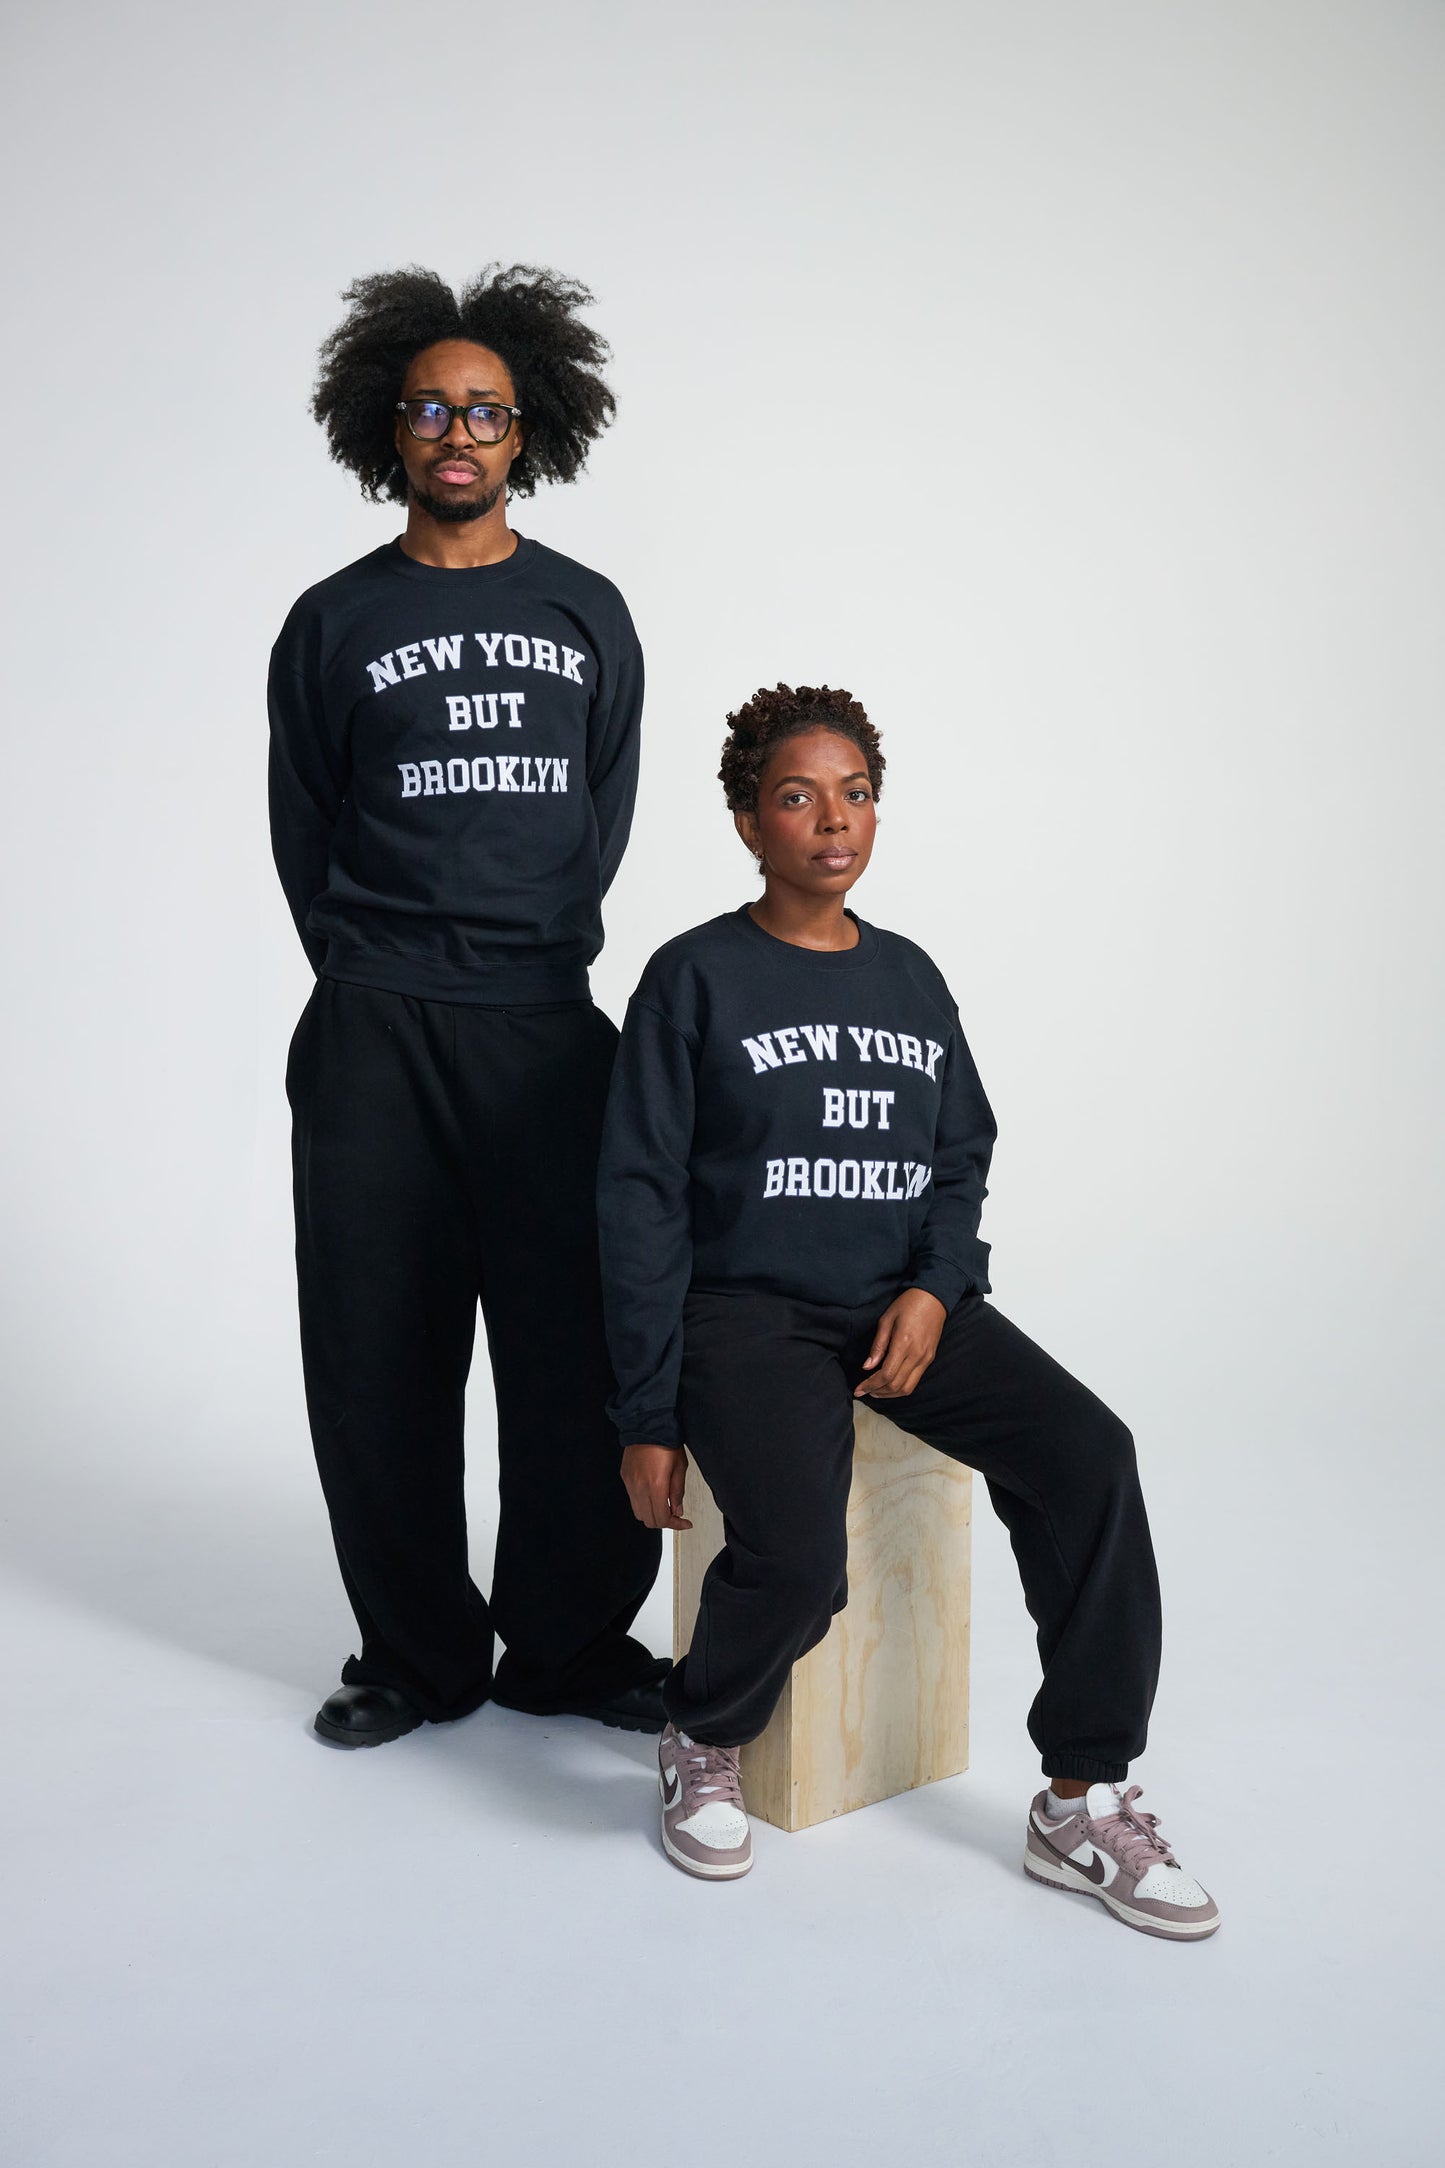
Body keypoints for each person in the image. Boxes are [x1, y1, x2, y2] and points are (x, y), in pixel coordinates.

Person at [596, 684, 1219, 1938]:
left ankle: (1079, 1798)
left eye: (856, 793)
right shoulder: (692, 977)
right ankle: (700, 1729)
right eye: (796, 796)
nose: (833, 819)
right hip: (748, 1313)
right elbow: (639, 1198)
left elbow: (957, 1155)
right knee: (798, 1564)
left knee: (1089, 1457)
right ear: (746, 821)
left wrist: (937, 1287)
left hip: (901, 1305)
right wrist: (645, 1411)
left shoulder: (909, 976)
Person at [268, 265, 665, 1750]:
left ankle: (566, 1644)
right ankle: (415, 1655)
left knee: (576, 1349)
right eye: (429, 408)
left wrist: (518, 949)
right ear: (389, 427)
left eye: (485, 411)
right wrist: (384, 965)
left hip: (545, 1028)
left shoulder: (586, 611)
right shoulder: (330, 621)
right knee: (376, 1354)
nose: (456, 433)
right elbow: (304, 830)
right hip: (375, 1025)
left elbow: (599, 814)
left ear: (527, 430)